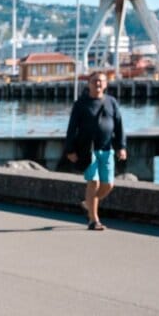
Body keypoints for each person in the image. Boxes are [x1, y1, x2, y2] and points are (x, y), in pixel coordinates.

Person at [63, 72, 126, 230]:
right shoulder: (81, 103)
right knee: (94, 182)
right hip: (88, 150)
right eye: (94, 81)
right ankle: (93, 220)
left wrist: (121, 147)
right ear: (89, 84)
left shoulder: (112, 102)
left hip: (107, 149)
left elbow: (119, 125)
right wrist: (70, 149)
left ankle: (88, 203)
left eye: (101, 82)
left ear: (105, 85)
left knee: (109, 184)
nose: (98, 84)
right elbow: (72, 128)